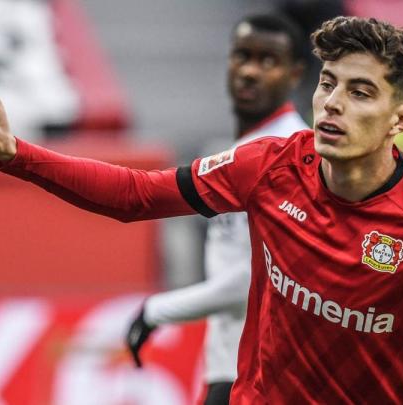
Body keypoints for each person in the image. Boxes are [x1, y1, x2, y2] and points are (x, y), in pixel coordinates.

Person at [0, 16, 403, 404]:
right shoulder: (269, 165)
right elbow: (137, 195)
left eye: (360, 92)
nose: (332, 104)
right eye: (328, 83)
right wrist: (17, 154)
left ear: (400, 121)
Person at [125, 13, 308, 405]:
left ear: (295, 73)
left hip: (260, 370)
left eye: (268, 61)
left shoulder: (291, 153)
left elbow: (260, 278)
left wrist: (158, 309)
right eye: (242, 56)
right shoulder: (244, 150)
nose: (250, 71)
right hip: (233, 363)